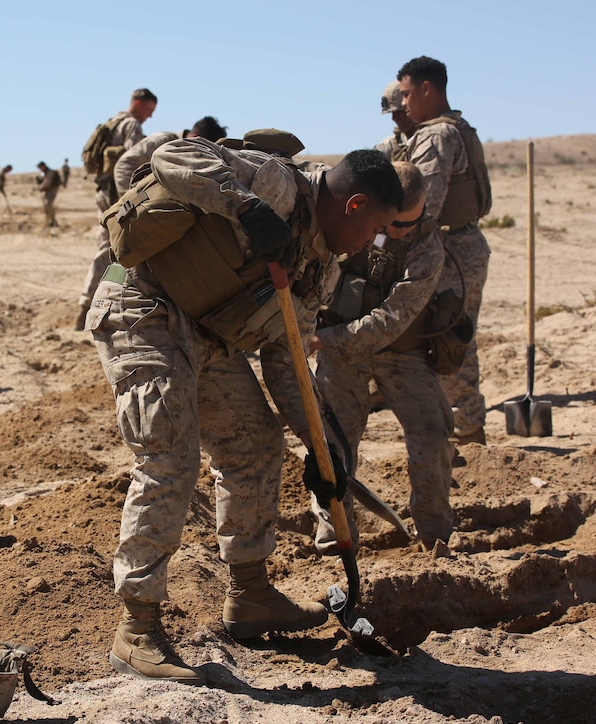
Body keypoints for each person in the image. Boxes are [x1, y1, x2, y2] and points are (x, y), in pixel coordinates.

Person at [87, 136, 403, 684]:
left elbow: (288, 363)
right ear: (354, 205)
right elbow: (172, 156)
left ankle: (250, 593)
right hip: (143, 309)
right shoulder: (277, 184)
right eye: (372, 229)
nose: (366, 244)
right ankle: (136, 630)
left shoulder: (322, 263)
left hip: (206, 335)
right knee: (170, 456)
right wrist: (246, 206)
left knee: (255, 442)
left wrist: (323, 449)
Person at [312, 161, 455, 549]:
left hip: (399, 353)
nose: (399, 232)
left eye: (409, 223)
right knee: (333, 444)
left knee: (432, 434)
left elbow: (392, 320)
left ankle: (435, 532)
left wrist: (327, 339)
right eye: (393, 224)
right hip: (340, 353)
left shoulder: (427, 248)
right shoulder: (351, 221)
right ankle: (334, 535)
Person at [398, 55, 493, 447]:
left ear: (426, 89)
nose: (403, 104)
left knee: (447, 335)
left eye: (406, 94)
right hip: (461, 244)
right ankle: (463, 424)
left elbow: (424, 205)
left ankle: (467, 426)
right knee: (450, 334)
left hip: (449, 249)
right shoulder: (457, 128)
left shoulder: (437, 136)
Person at [74, 88, 157, 330]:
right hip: (116, 196)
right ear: (138, 103)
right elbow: (134, 161)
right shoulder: (130, 125)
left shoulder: (112, 122)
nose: (149, 116)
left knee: (106, 247)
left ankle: (88, 304)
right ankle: (92, 306)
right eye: (149, 110)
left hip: (103, 191)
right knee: (115, 250)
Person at [112, 116, 228, 197]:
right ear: (195, 138)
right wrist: (132, 197)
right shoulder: (163, 142)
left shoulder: (185, 150)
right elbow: (124, 164)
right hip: (127, 188)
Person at [375, 80, 416, 161]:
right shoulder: (390, 146)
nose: (394, 118)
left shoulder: (435, 137)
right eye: (393, 113)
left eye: (399, 112)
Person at [36, 161, 62, 228]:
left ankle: (53, 222)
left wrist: (40, 188)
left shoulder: (50, 172)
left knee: (48, 204)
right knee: (46, 206)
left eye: (40, 167)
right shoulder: (44, 173)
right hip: (48, 190)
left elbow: (47, 182)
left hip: (52, 190)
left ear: (43, 166)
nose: (40, 169)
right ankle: (51, 221)